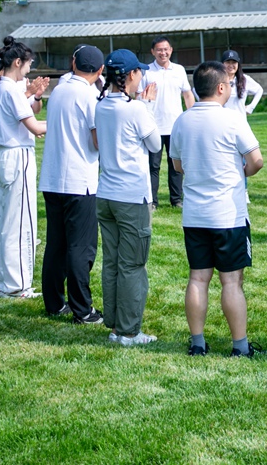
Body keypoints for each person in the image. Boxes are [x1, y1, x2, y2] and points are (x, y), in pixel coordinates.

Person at [170, 61, 264, 358]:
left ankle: (197, 343)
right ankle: (240, 346)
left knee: (198, 278)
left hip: (195, 215)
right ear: (222, 87)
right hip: (228, 215)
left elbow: (177, 166)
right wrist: (241, 172)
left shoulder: (182, 120)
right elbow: (257, 161)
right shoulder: (233, 119)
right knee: (231, 281)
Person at [95, 49, 161, 346]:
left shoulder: (101, 105)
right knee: (132, 265)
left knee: (112, 262)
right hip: (131, 196)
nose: (142, 77)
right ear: (131, 75)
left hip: (106, 194)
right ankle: (129, 331)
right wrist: (147, 106)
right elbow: (155, 144)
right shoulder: (135, 109)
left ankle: (115, 325)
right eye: (139, 72)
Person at [39, 44, 105, 324]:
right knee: (81, 247)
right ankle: (82, 309)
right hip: (79, 179)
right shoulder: (89, 96)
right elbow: (97, 140)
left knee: (56, 244)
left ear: (73, 63)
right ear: (100, 70)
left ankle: (54, 303)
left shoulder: (60, 89)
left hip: (53, 177)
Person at [0, 38, 47, 299]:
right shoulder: (10, 89)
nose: (30, 67)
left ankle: (7, 283)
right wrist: (64, 122)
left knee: (6, 222)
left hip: (5, 155)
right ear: (17, 62)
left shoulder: (2, 88)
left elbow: (29, 116)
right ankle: (18, 286)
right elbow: (34, 126)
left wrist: (35, 96)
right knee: (21, 223)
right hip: (16, 156)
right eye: (28, 62)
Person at [143, 36, 193, 209]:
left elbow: (187, 94)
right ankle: (152, 201)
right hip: (153, 126)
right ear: (153, 52)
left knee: (176, 165)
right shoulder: (146, 71)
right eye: (159, 49)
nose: (163, 53)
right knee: (153, 166)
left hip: (175, 126)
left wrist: (192, 116)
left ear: (171, 50)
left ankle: (176, 199)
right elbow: (139, 96)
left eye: (166, 49)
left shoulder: (179, 70)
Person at [220, 49, 263, 116]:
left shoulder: (244, 79)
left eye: (234, 62)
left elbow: (259, 90)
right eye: (228, 62)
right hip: (222, 119)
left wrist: (250, 107)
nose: (231, 65)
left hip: (240, 120)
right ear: (222, 64)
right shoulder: (216, 79)